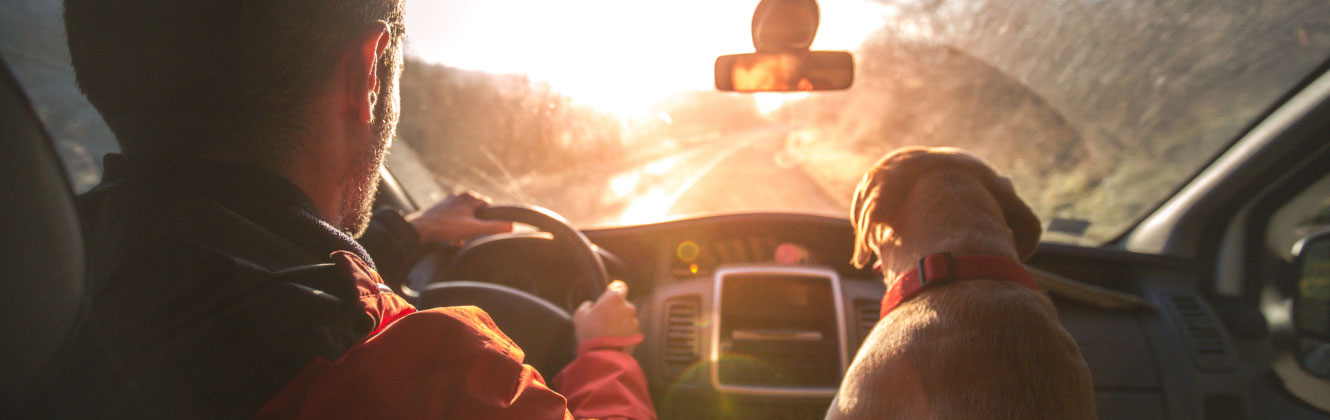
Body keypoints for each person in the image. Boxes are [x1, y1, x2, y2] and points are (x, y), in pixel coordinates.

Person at [31, 0, 656, 418]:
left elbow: (252, 268)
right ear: (369, 76)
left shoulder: (45, 294)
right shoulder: (430, 386)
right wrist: (604, 352)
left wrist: (411, 231)